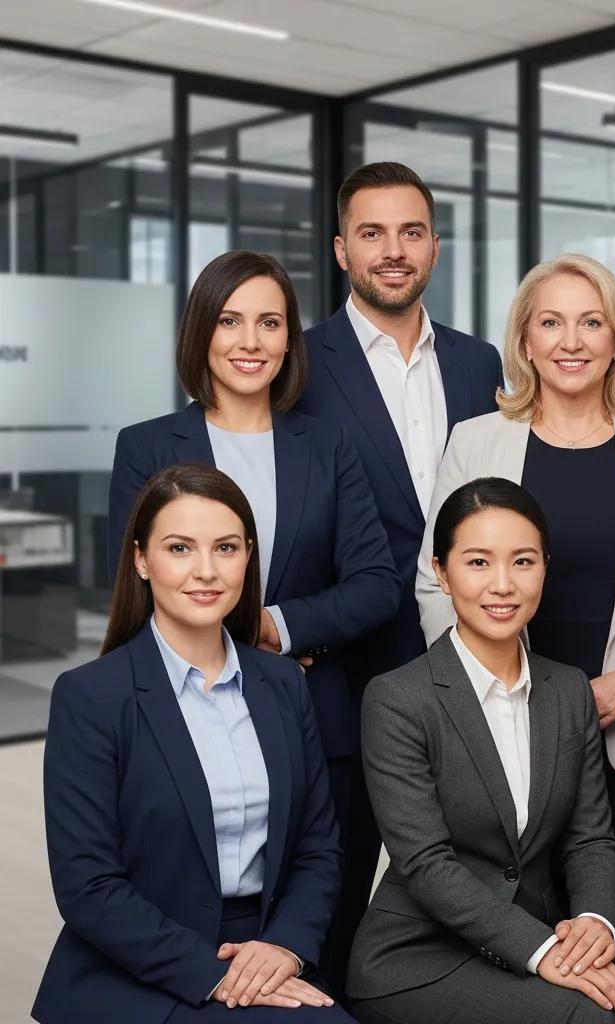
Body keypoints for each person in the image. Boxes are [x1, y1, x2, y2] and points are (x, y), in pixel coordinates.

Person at [416, 253, 615, 1020]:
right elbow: (435, 582)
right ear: (524, 339)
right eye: (551, 321)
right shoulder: (475, 441)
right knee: (508, 933)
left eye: (592, 322)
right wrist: (501, 695)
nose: (572, 340)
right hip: (502, 736)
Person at [106, 250, 400, 989]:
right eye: (230, 320)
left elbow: (374, 585)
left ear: (289, 339)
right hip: (179, 723)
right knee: (192, 919)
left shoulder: (327, 444)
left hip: (316, 724)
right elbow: (137, 588)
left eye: (269, 322)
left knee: (318, 933)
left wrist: (267, 631)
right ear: (201, 331)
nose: (249, 340)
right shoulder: (145, 447)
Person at [34, 464, 354, 1023]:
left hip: (264, 953)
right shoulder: (91, 697)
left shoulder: (282, 684)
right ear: (140, 559)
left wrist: (285, 946)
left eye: (226, 548)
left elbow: (318, 846)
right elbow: (88, 885)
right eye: (180, 548)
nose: (206, 571)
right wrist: (214, 975)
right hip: (139, 966)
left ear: (247, 557)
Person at [297, 162, 503, 985]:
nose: (394, 250)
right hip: (345, 674)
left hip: (469, 670)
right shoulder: (300, 363)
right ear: (343, 248)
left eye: (411, 232)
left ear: (435, 247)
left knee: (471, 889)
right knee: (337, 890)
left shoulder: (479, 359)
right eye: (373, 233)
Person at [348, 478, 615, 1024]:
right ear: (441, 571)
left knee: (602, 1008)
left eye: (523, 561)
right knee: (591, 1017)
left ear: (545, 567)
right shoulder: (398, 698)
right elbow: (426, 865)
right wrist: (544, 951)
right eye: (478, 562)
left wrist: (595, 925)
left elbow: (591, 838)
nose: (503, 585)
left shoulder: (569, 689)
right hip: (418, 957)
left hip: (530, 940)